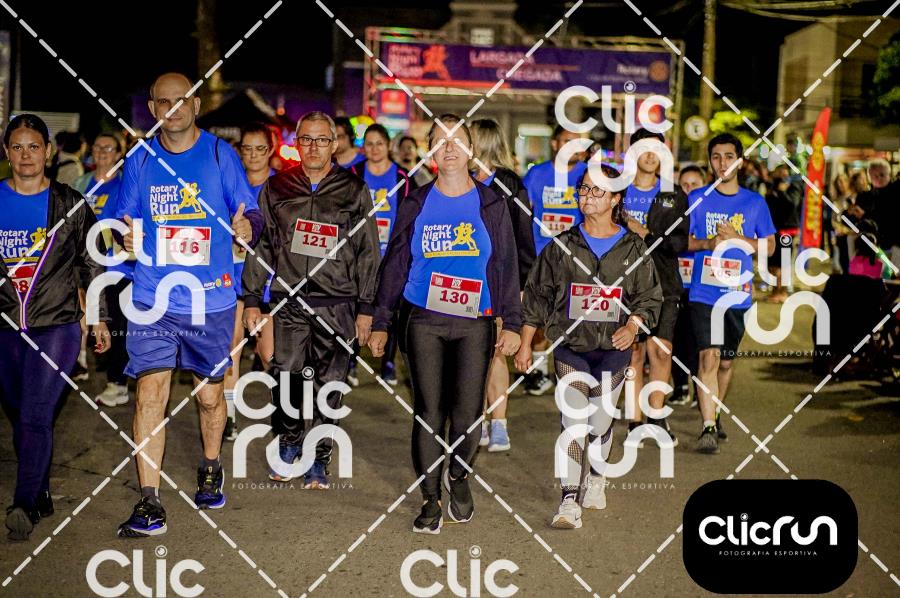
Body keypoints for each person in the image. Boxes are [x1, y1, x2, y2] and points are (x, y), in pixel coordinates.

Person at [114, 73, 263, 537]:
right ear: (153, 109)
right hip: (152, 296)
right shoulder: (141, 158)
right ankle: (150, 502)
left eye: (181, 101)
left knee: (210, 396)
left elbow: (249, 210)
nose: (173, 109)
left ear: (196, 105)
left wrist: (248, 227)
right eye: (164, 102)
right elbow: (123, 219)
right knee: (149, 395)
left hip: (209, 299)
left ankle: (211, 465)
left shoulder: (220, 155)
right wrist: (125, 236)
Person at [368, 114, 522, 534]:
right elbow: (395, 262)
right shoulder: (415, 201)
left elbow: (506, 264)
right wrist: (381, 319)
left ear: (471, 149)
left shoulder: (491, 203)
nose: (449, 147)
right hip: (424, 319)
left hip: (475, 321)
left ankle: (459, 475)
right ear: (430, 150)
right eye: (440, 140)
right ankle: (430, 498)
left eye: (457, 140)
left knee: (467, 414)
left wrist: (512, 322)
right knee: (429, 412)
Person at [515, 163, 662, 529]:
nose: (587, 196)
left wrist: (633, 325)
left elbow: (649, 296)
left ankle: (596, 476)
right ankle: (568, 500)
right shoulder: (562, 246)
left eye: (597, 191)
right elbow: (537, 295)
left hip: (613, 349)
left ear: (615, 199)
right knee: (573, 421)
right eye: (583, 189)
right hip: (571, 346)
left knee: (599, 421)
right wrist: (525, 343)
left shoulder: (633, 247)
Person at [242, 111, 381, 489]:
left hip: (337, 302)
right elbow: (263, 245)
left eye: (322, 140)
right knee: (286, 375)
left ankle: (318, 456)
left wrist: (367, 308)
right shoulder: (277, 187)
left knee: (329, 383)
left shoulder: (354, 190)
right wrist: (252, 297)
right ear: (296, 144)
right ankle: (289, 443)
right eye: (306, 139)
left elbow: (368, 251)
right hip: (288, 301)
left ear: (334, 144)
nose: (314, 147)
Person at [1, 114, 111, 541]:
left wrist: (97, 317)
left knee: (35, 413)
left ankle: (23, 503)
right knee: (20, 415)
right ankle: (41, 489)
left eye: (34, 146)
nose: (26, 155)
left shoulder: (70, 204)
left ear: (48, 151)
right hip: (5, 328)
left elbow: (92, 262)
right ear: (7, 152)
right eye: (17, 147)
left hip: (57, 326)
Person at [687, 132, 776, 454]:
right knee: (708, 356)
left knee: (725, 362)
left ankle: (716, 412)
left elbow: (770, 246)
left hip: (737, 293)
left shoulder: (755, 203)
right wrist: (707, 243)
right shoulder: (696, 198)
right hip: (703, 291)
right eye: (716, 157)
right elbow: (682, 240)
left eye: (728, 156)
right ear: (709, 161)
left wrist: (738, 238)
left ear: (740, 161)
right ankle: (708, 426)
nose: (722, 163)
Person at [469, 118, 536, 452]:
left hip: (501, 278)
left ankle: (499, 423)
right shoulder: (461, 180)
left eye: (468, 138)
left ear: (482, 142)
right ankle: (477, 419)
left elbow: (524, 235)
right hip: (468, 278)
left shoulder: (509, 184)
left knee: (496, 350)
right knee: (472, 353)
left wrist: (522, 283)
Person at [620, 128, 688, 446]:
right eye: (644, 148)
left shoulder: (673, 195)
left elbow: (678, 243)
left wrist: (645, 233)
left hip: (664, 284)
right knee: (633, 353)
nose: (650, 155)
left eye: (657, 150)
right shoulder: (616, 191)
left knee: (660, 351)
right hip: (624, 285)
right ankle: (635, 421)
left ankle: (656, 417)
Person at [521, 125, 589, 396]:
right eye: (566, 141)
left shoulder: (589, 175)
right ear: (554, 144)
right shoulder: (536, 175)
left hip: (577, 259)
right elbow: (523, 214)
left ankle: (572, 372)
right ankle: (538, 372)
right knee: (539, 315)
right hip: (540, 257)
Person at [223, 122, 278, 441]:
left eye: (260, 149)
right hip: (232, 278)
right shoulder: (230, 185)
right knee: (231, 348)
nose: (254, 155)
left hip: (268, 283)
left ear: (271, 150)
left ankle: (285, 419)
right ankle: (229, 416)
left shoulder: (282, 187)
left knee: (269, 354)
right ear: (239, 152)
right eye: (247, 149)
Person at [349, 123, 415, 385]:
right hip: (360, 255)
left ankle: (388, 362)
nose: (374, 149)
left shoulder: (402, 177)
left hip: (392, 255)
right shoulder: (354, 173)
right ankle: (351, 360)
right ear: (363, 148)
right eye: (369, 144)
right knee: (357, 308)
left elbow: (410, 215)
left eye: (379, 143)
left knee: (389, 309)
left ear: (388, 146)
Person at [72, 133, 131, 407]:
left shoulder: (125, 186)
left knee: (115, 323)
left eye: (108, 148)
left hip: (116, 267)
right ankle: (78, 363)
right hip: (81, 266)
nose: (102, 151)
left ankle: (117, 382)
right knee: (82, 317)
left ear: (119, 154)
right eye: (97, 146)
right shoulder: (81, 183)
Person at [669, 165, 706, 408]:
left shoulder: (708, 212)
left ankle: (699, 388)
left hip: (700, 289)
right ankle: (680, 386)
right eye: (684, 185)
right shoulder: (671, 212)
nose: (689, 189)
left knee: (697, 340)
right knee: (675, 339)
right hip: (675, 287)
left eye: (695, 185)